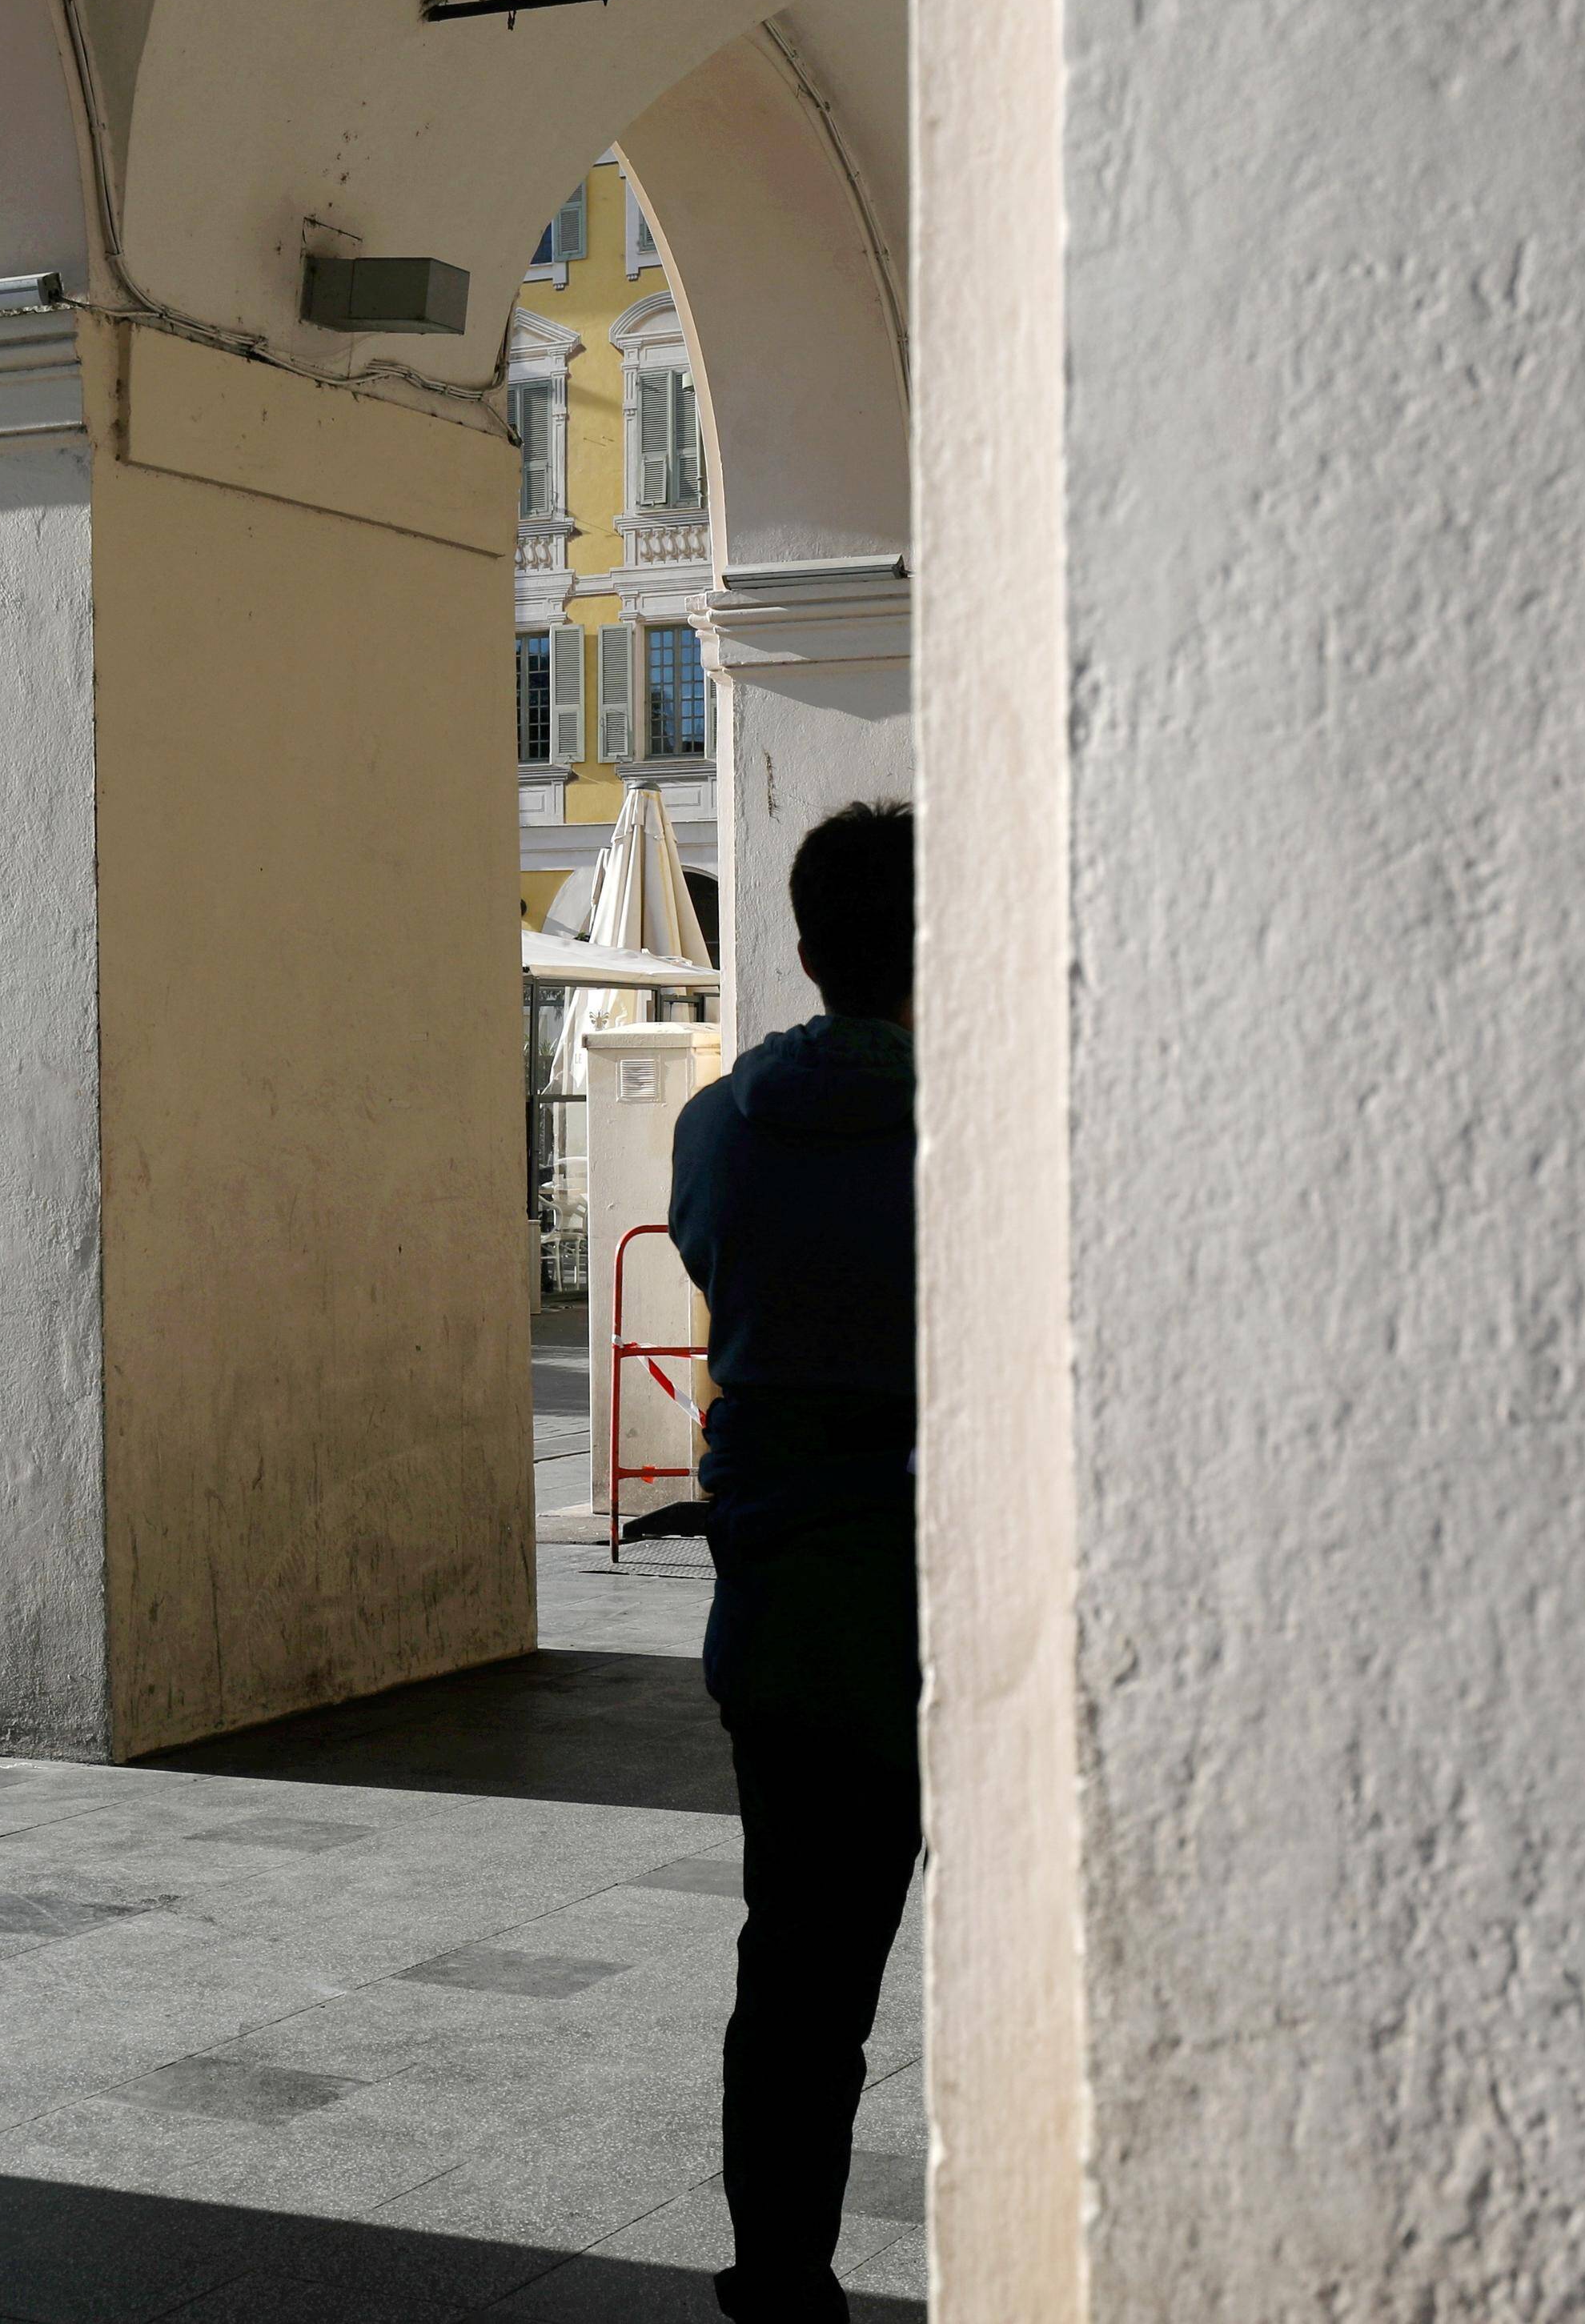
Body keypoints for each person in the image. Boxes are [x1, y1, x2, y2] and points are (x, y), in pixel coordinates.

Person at [658, 800, 917, 2324]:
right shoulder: (998, 1122)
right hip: (961, 1602)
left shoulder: (715, 1127)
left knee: (798, 1975)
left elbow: (716, 1264)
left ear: (808, 949)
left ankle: (779, 2277)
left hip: (784, 1600)